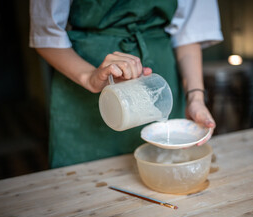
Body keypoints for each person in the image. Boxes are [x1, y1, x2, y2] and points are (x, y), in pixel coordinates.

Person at [30, 0, 223, 168]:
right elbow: (46, 33)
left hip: (161, 79)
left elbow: (189, 34)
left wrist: (196, 98)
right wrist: (89, 77)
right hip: (80, 78)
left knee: (164, 163)